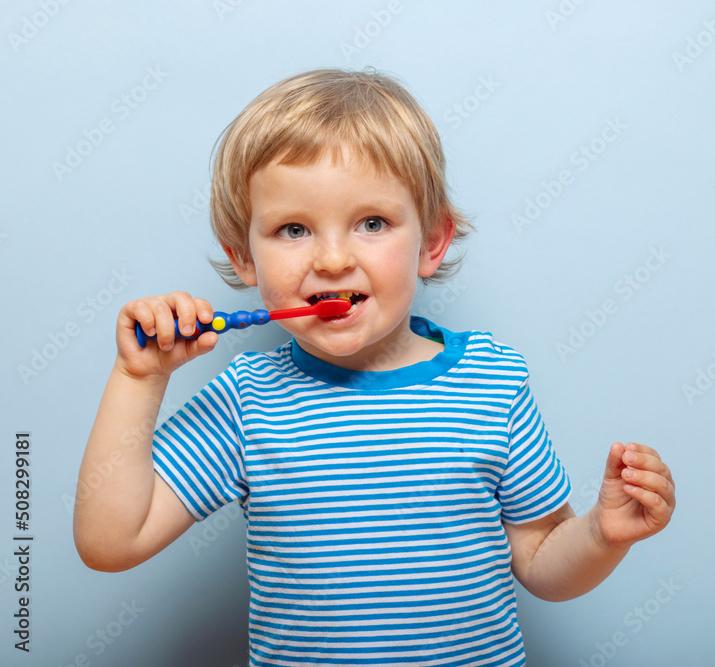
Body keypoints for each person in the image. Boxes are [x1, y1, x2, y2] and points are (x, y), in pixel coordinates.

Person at [74, 68, 676, 666]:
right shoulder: (246, 401)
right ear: (244, 256)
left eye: (371, 224)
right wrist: (138, 379)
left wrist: (601, 534)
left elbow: (542, 559)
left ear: (432, 244)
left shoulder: (493, 380)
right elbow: (110, 542)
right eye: (292, 229)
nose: (333, 259)